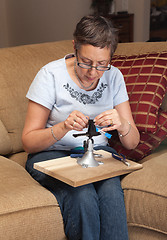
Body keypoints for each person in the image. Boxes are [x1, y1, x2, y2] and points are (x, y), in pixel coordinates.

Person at [22, 15, 140, 240]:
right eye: (85, 62)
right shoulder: (50, 75)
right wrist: (63, 127)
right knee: (82, 194)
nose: (93, 72)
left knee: (111, 193)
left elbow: (132, 142)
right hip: (51, 155)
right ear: (74, 46)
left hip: (98, 155)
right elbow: (28, 141)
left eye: (102, 64)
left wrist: (122, 124)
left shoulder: (114, 76)